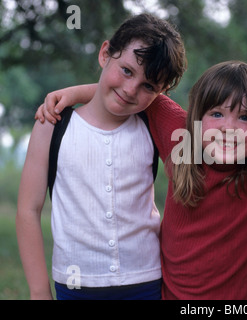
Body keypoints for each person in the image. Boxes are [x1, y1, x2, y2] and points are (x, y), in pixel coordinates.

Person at [36, 60, 247, 299]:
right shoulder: (180, 137)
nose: (228, 128)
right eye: (216, 114)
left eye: (245, 117)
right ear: (196, 119)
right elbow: (131, 94)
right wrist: (73, 93)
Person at [16, 13, 187, 300]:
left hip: (146, 283)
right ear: (105, 53)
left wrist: (80, 90)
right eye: (127, 71)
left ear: (161, 93)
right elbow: (28, 210)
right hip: (74, 286)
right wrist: (38, 291)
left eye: (149, 86)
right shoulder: (52, 125)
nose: (131, 89)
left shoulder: (152, 125)